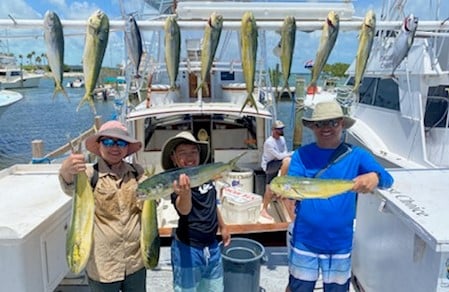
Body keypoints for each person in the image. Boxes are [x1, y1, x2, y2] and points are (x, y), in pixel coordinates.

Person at [285, 101, 394, 292]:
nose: (326, 128)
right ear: (312, 127)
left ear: (342, 124)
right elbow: (293, 185)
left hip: (339, 243)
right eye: (319, 124)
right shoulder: (301, 155)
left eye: (333, 122)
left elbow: (388, 179)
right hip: (305, 239)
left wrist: (374, 176)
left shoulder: (357, 155)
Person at [59, 120, 148, 292]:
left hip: (135, 262)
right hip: (104, 266)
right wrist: (66, 170)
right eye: (108, 142)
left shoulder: (137, 173)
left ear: (127, 147)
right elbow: (69, 186)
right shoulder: (89, 175)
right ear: (99, 146)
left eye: (121, 142)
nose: (114, 147)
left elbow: (151, 198)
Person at [161, 131, 231, 291]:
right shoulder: (174, 181)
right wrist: (184, 193)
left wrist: (223, 226)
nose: (189, 157)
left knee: (214, 288)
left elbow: (211, 202)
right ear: (174, 158)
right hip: (188, 248)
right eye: (183, 153)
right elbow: (183, 210)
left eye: (193, 151)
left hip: (212, 246)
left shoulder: (204, 174)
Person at [260, 119, 292, 220]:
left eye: (282, 129)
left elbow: (285, 152)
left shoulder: (282, 139)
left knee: (289, 161)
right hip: (269, 165)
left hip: (278, 163)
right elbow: (278, 156)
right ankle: (264, 209)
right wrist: (293, 153)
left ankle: (281, 185)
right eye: (279, 129)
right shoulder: (269, 142)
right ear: (273, 130)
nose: (281, 131)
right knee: (269, 188)